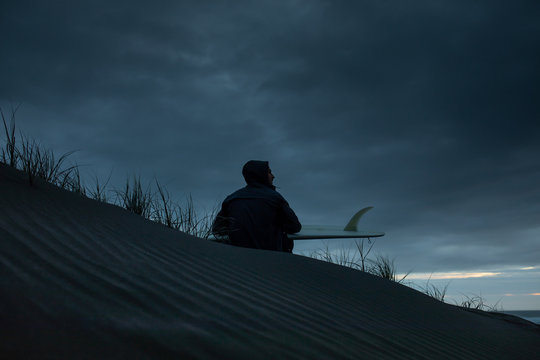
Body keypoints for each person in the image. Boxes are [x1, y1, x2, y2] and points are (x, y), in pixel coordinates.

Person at [212, 160, 301, 252]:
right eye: (269, 172)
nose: (273, 176)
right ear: (261, 175)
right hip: (271, 259)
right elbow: (295, 226)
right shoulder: (274, 198)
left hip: (238, 259)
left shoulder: (231, 199)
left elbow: (217, 229)